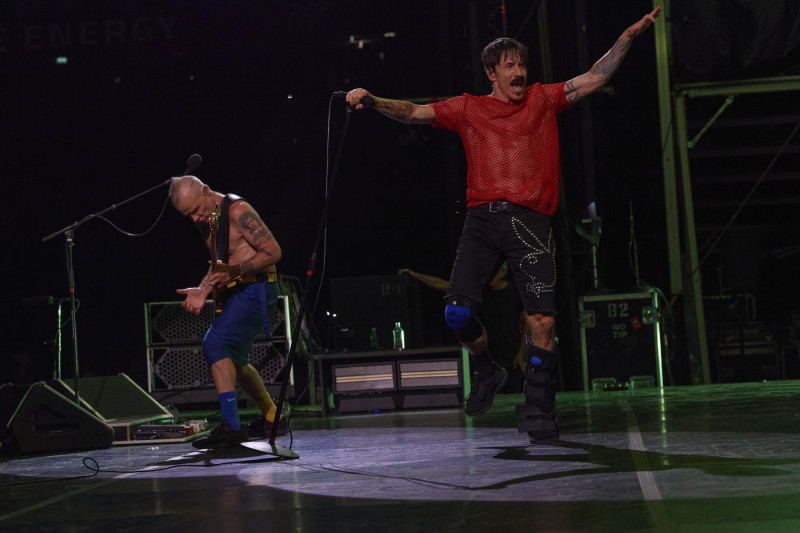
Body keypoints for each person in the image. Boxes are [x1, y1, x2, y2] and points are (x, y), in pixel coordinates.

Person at [347, 8, 661, 444]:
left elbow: (595, 76)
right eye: (509, 65)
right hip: (482, 220)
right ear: (491, 72)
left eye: (522, 64)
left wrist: (627, 35)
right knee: (457, 312)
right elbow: (414, 113)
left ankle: (539, 407)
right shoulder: (467, 108)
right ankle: (486, 369)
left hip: (531, 220)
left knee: (542, 321)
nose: (519, 72)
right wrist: (372, 99)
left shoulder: (543, 99)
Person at [169, 176, 288, 449]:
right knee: (235, 360)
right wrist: (203, 289)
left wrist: (235, 272)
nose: (195, 218)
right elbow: (220, 262)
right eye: (188, 215)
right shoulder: (207, 218)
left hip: (258, 288)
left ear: (206, 191)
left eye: (196, 210)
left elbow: (273, 251)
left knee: (214, 344)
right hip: (236, 291)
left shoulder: (237, 211)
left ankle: (232, 427)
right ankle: (273, 417)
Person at [399, 264, 528, 393]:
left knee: (514, 395)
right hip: (490, 355)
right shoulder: (482, 291)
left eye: (494, 272)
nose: (490, 275)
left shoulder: (514, 292)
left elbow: (526, 323)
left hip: (512, 356)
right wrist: (415, 275)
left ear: (503, 272)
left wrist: (521, 353)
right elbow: (445, 286)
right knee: (491, 395)